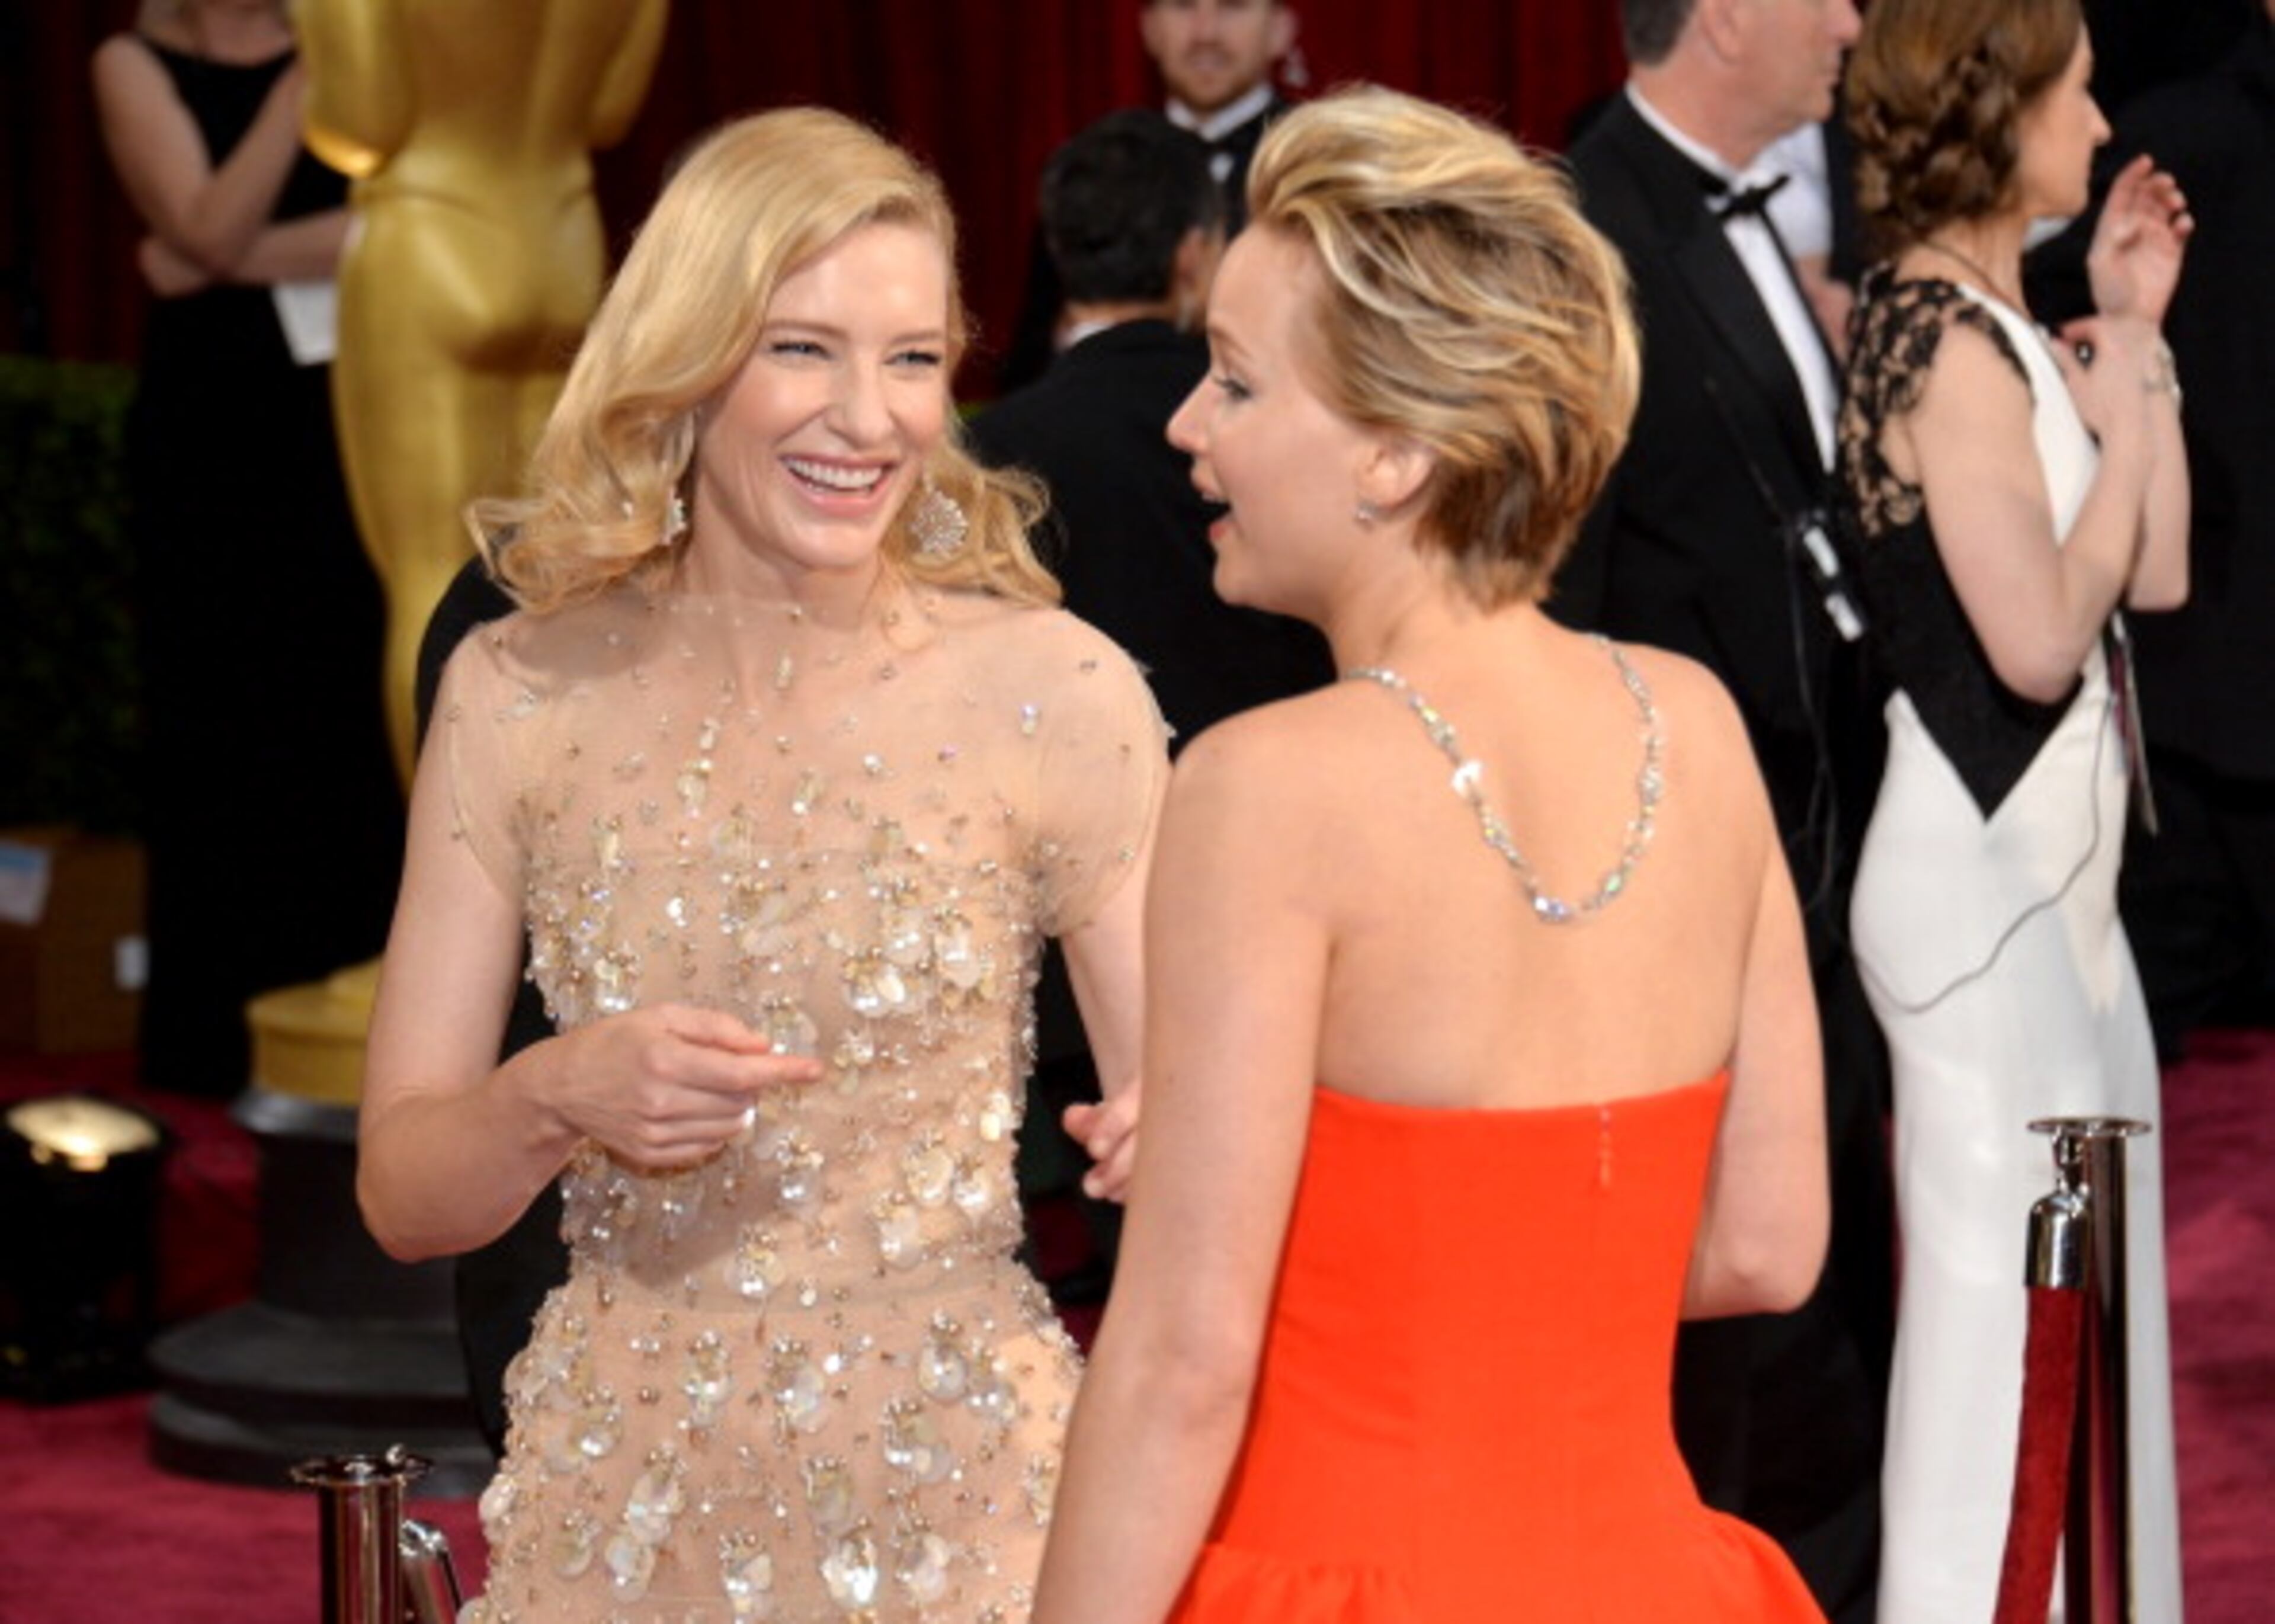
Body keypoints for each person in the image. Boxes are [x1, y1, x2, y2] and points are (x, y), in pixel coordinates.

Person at [1031, 85, 1831, 1624]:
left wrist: (1294, 1245)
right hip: (1645, 1574)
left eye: (1237, 385)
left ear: (1396, 454)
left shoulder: (1263, 787)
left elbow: (1186, 1365)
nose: (1186, 425)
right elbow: (1765, 1243)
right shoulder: (1702, 725)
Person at [357, 107, 1168, 1621]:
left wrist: (1175, 1144)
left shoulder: (1056, 691)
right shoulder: (518, 690)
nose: (869, 418)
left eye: (913, 358)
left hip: (969, 1508)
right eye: (803, 349)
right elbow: (406, 1192)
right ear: (687, 356)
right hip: (617, 1505)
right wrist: (552, 1093)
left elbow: (1184, 1136)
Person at [1838, 2, 2193, 1619]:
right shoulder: (1931, 331)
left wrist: (2135, 335)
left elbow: (2156, 574)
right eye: (2078, 82)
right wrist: (2115, 422)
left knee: (2093, 1328)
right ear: (1999, 112)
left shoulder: (1998, 315)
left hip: (2070, 903)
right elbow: (2043, 640)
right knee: (1997, 1337)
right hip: (1980, 903)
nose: (2103, 110)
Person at [1559, 4, 1892, 1615]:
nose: (1849, 17)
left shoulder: (1782, 203)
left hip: (1825, 862)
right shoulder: (1585, 226)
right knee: (1748, 1335)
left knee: (1830, 1295)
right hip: (1690, 872)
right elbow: (1573, 581)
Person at [970, 107, 1333, 1306]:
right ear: (1195, 252)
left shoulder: (991, 450)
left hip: (1059, 948)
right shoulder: (1272, 424)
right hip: (1273, 893)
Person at [89, 0, 402, 1096]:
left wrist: (211, 259)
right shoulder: (132, 64)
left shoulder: (363, 51)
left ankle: (362, 1016)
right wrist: (288, 100)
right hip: (210, 428)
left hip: (350, 413)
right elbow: (203, 217)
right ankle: (213, 1046)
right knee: (219, 710)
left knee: (346, 696)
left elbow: (401, 223)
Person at [296, 0, 667, 778]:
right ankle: (561, 873)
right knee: (567, 576)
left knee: (433, 578)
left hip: (435, 233)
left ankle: (456, 878)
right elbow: (608, 110)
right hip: (562, 232)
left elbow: (360, 119)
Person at [2030, 0, 2275, 1059]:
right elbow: (2048, 336)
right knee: (2123, 1070)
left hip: (2209, 692)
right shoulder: (2175, 143)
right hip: (2205, 709)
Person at [998, 0, 1299, 392]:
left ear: (1280, 28)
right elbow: (1032, 360)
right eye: (1183, 6)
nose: (1205, 33)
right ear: (1150, 29)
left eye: (1233, 6)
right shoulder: (1093, 164)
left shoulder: (1320, 165)